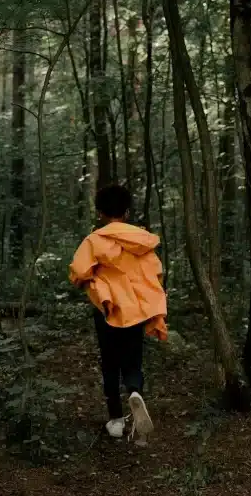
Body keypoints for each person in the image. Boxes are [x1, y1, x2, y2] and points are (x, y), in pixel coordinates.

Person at [69, 184, 168, 441]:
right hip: (135, 309)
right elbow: (155, 272)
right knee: (133, 359)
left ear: (100, 212)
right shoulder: (141, 240)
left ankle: (115, 419)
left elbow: (79, 272)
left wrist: (89, 281)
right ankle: (135, 391)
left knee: (110, 362)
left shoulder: (94, 241)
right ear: (126, 211)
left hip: (107, 308)